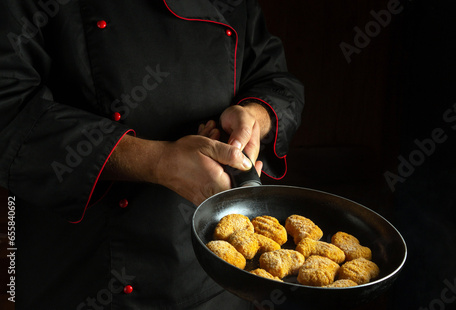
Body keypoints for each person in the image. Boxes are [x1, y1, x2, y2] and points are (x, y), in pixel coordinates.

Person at [0, 0, 304, 309]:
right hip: (87, 268)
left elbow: (274, 77)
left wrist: (255, 116)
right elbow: (8, 108)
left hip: (216, 272)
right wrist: (157, 160)